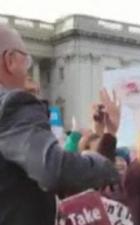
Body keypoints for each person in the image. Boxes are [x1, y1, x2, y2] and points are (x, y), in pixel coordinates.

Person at [0, 24, 120, 225]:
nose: (28, 71)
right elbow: (53, 170)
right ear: (9, 60)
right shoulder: (12, 105)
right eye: (26, 60)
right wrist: (103, 165)